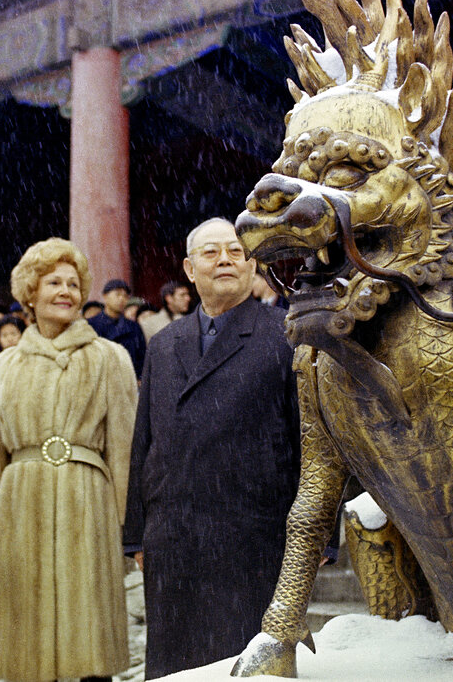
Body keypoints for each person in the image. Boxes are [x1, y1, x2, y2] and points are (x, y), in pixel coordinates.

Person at [123, 217, 300, 678]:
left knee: (241, 664)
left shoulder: (286, 334)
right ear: (188, 268)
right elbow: (145, 442)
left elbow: (312, 440)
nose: (225, 259)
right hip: (174, 533)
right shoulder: (163, 344)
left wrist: (317, 536)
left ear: (252, 264)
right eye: (211, 252)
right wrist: (137, 533)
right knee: (175, 666)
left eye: (236, 252)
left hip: (251, 532)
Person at [0, 237, 137, 682]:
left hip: (90, 505)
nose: (66, 291)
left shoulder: (110, 358)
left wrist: (128, 525)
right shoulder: (4, 365)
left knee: (91, 638)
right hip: (19, 505)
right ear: (30, 293)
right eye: (54, 282)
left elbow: (124, 448)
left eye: (74, 283)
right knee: (25, 641)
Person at [88, 278, 147, 377]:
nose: (121, 299)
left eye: (125, 296)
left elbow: (142, 358)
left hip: (128, 381)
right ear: (105, 296)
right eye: (118, 294)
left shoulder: (134, 327)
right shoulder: (91, 325)